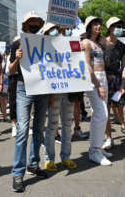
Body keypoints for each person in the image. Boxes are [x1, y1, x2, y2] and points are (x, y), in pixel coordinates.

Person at [10, 12, 48, 193]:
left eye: (36, 22)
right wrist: (17, 58)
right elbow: (9, 71)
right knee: (23, 131)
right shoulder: (17, 42)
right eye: (31, 22)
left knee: (39, 129)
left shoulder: (45, 42)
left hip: (42, 89)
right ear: (25, 25)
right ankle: (18, 173)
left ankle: (33, 164)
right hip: (23, 88)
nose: (34, 24)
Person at [102, 17, 125, 158]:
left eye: (121, 26)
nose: (119, 28)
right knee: (106, 111)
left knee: (124, 111)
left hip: (117, 81)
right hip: (103, 81)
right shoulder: (101, 44)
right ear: (110, 27)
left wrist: (123, 84)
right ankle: (109, 138)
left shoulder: (122, 46)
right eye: (116, 26)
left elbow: (124, 66)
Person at [43, 23, 78, 172]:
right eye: (51, 30)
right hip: (54, 92)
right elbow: (44, 70)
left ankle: (66, 157)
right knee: (52, 126)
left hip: (70, 92)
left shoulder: (73, 42)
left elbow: (79, 63)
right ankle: (49, 159)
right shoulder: (44, 48)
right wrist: (49, 94)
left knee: (67, 126)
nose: (55, 31)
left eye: (57, 28)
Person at [82, 16, 112, 165]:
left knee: (101, 114)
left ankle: (97, 147)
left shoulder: (99, 43)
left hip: (103, 77)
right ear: (89, 27)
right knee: (101, 113)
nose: (98, 26)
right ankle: (94, 151)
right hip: (93, 79)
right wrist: (98, 84)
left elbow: (111, 44)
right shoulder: (86, 43)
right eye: (95, 24)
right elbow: (87, 65)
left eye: (99, 24)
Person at [8, 35, 20, 137]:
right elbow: (10, 70)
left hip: (23, 79)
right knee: (13, 103)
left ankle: (24, 125)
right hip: (13, 79)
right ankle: (14, 125)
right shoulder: (10, 55)